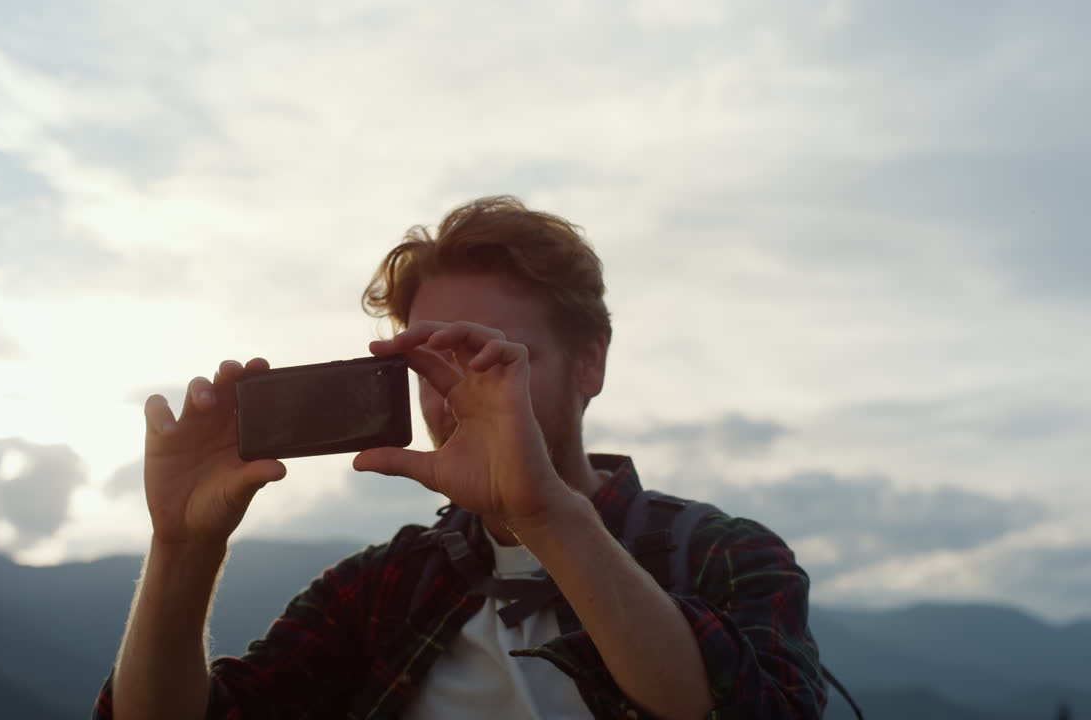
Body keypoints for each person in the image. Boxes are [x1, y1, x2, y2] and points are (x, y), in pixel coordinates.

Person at [94, 196, 827, 719]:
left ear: (590, 365)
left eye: (497, 356)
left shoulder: (726, 557)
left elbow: (755, 706)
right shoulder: (382, 588)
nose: (464, 395)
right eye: (438, 362)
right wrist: (181, 547)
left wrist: (543, 515)